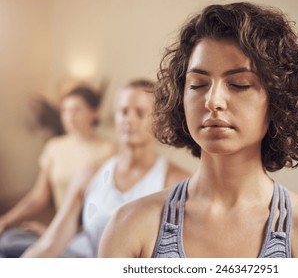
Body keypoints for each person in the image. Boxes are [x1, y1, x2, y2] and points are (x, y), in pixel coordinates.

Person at [99, 2, 298, 258]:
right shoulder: (130, 228)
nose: (212, 100)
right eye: (198, 84)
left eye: (239, 84)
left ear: (278, 100)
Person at [22, 79, 190, 257]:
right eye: (123, 111)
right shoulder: (90, 175)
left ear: (159, 120)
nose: (129, 119)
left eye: (139, 113)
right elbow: (51, 243)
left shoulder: (177, 182)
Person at [0, 84, 115, 257]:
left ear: (94, 112)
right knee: (7, 242)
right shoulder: (54, 147)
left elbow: (108, 205)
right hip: (56, 229)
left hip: (86, 234)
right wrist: (6, 221)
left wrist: (56, 234)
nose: (70, 117)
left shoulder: (108, 150)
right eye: (65, 110)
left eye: (77, 110)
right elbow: (38, 197)